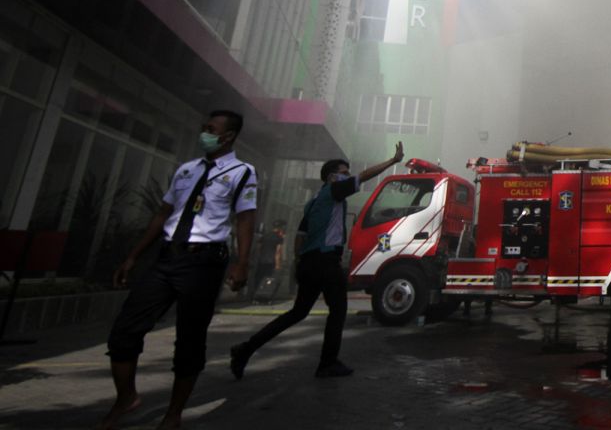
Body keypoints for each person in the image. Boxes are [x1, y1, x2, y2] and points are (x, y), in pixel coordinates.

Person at [100, 110, 256, 430]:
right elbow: (163, 213)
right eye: (204, 128)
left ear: (228, 137)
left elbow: (245, 219)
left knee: (189, 340)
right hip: (167, 257)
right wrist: (133, 256)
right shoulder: (186, 169)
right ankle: (126, 397)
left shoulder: (243, 172)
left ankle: (173, 413)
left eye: (211, 130)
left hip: (204, 263)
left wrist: (242, 263)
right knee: (125, 331)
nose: (204, 133)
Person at [230, 140, 404, 379]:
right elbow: (363, 177)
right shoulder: (334, 191)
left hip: (310, 263)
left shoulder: (314, 202)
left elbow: (300, 236)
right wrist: (393, 161)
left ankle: (246, 348)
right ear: (332, 177)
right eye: (344, 173)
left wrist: (298, 262)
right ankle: (327, 363)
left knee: (297, 313)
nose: (348, 176)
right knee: (338, 310)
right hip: (325, 262)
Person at [253, 220, 286, 303]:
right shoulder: (279, 238)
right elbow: (278, 252)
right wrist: (278, 265)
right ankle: (266, 297)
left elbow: (258, 249)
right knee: (270, 280)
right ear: (280, 228)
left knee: (259, 279)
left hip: (262, 261)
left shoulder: (265, 236)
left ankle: (256, 297)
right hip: (271, 262)